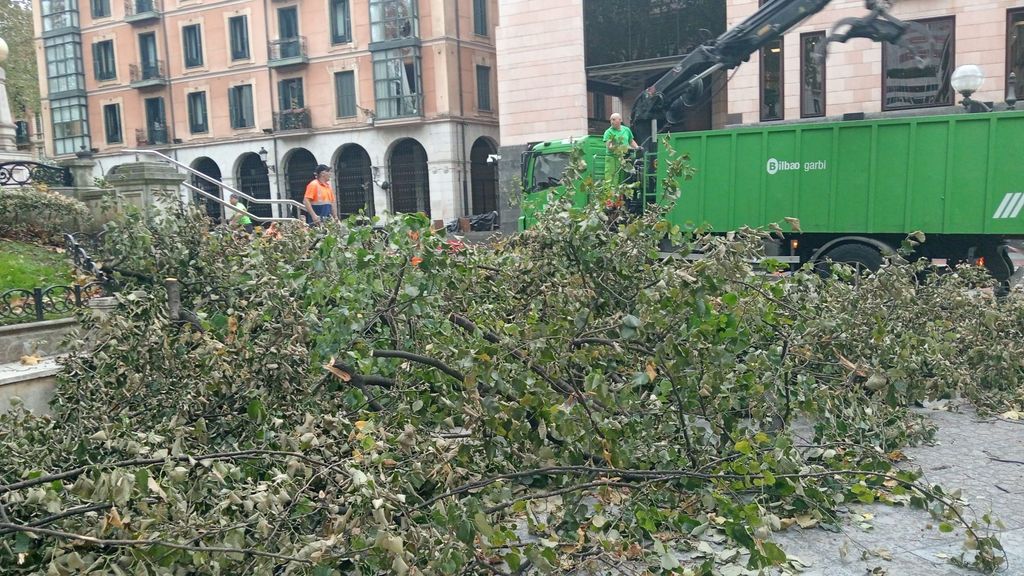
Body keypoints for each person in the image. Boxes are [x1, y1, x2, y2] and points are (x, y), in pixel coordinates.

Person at [602, 113, 640, 184]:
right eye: (611, 120)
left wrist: (637, 147)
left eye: (613, 120)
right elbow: (608, 146)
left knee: (628, 176)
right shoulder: (608, 132)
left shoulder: (626, 130)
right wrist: (615, 147)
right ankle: (612, 194)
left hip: (626, 157)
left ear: (620, 120)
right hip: (612, 159)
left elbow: (631, 141)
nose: (612, 122)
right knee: (611, 180)